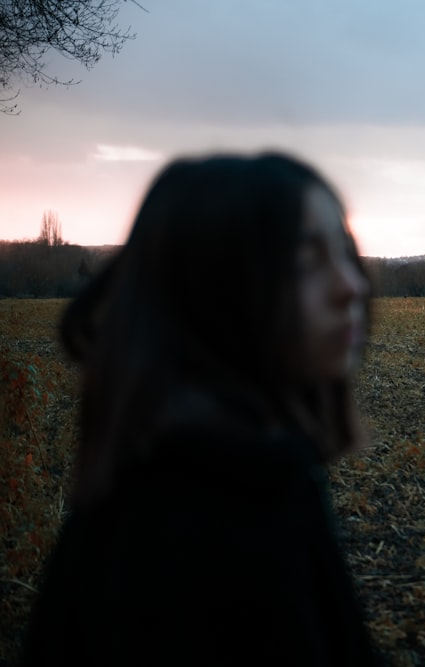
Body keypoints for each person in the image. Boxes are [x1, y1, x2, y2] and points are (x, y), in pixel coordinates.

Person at [22, 153, 381, 666]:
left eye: (345, 251)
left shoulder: (238, 472)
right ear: (213, 290)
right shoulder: (203, 527)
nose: (352, 286)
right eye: (306, 261)